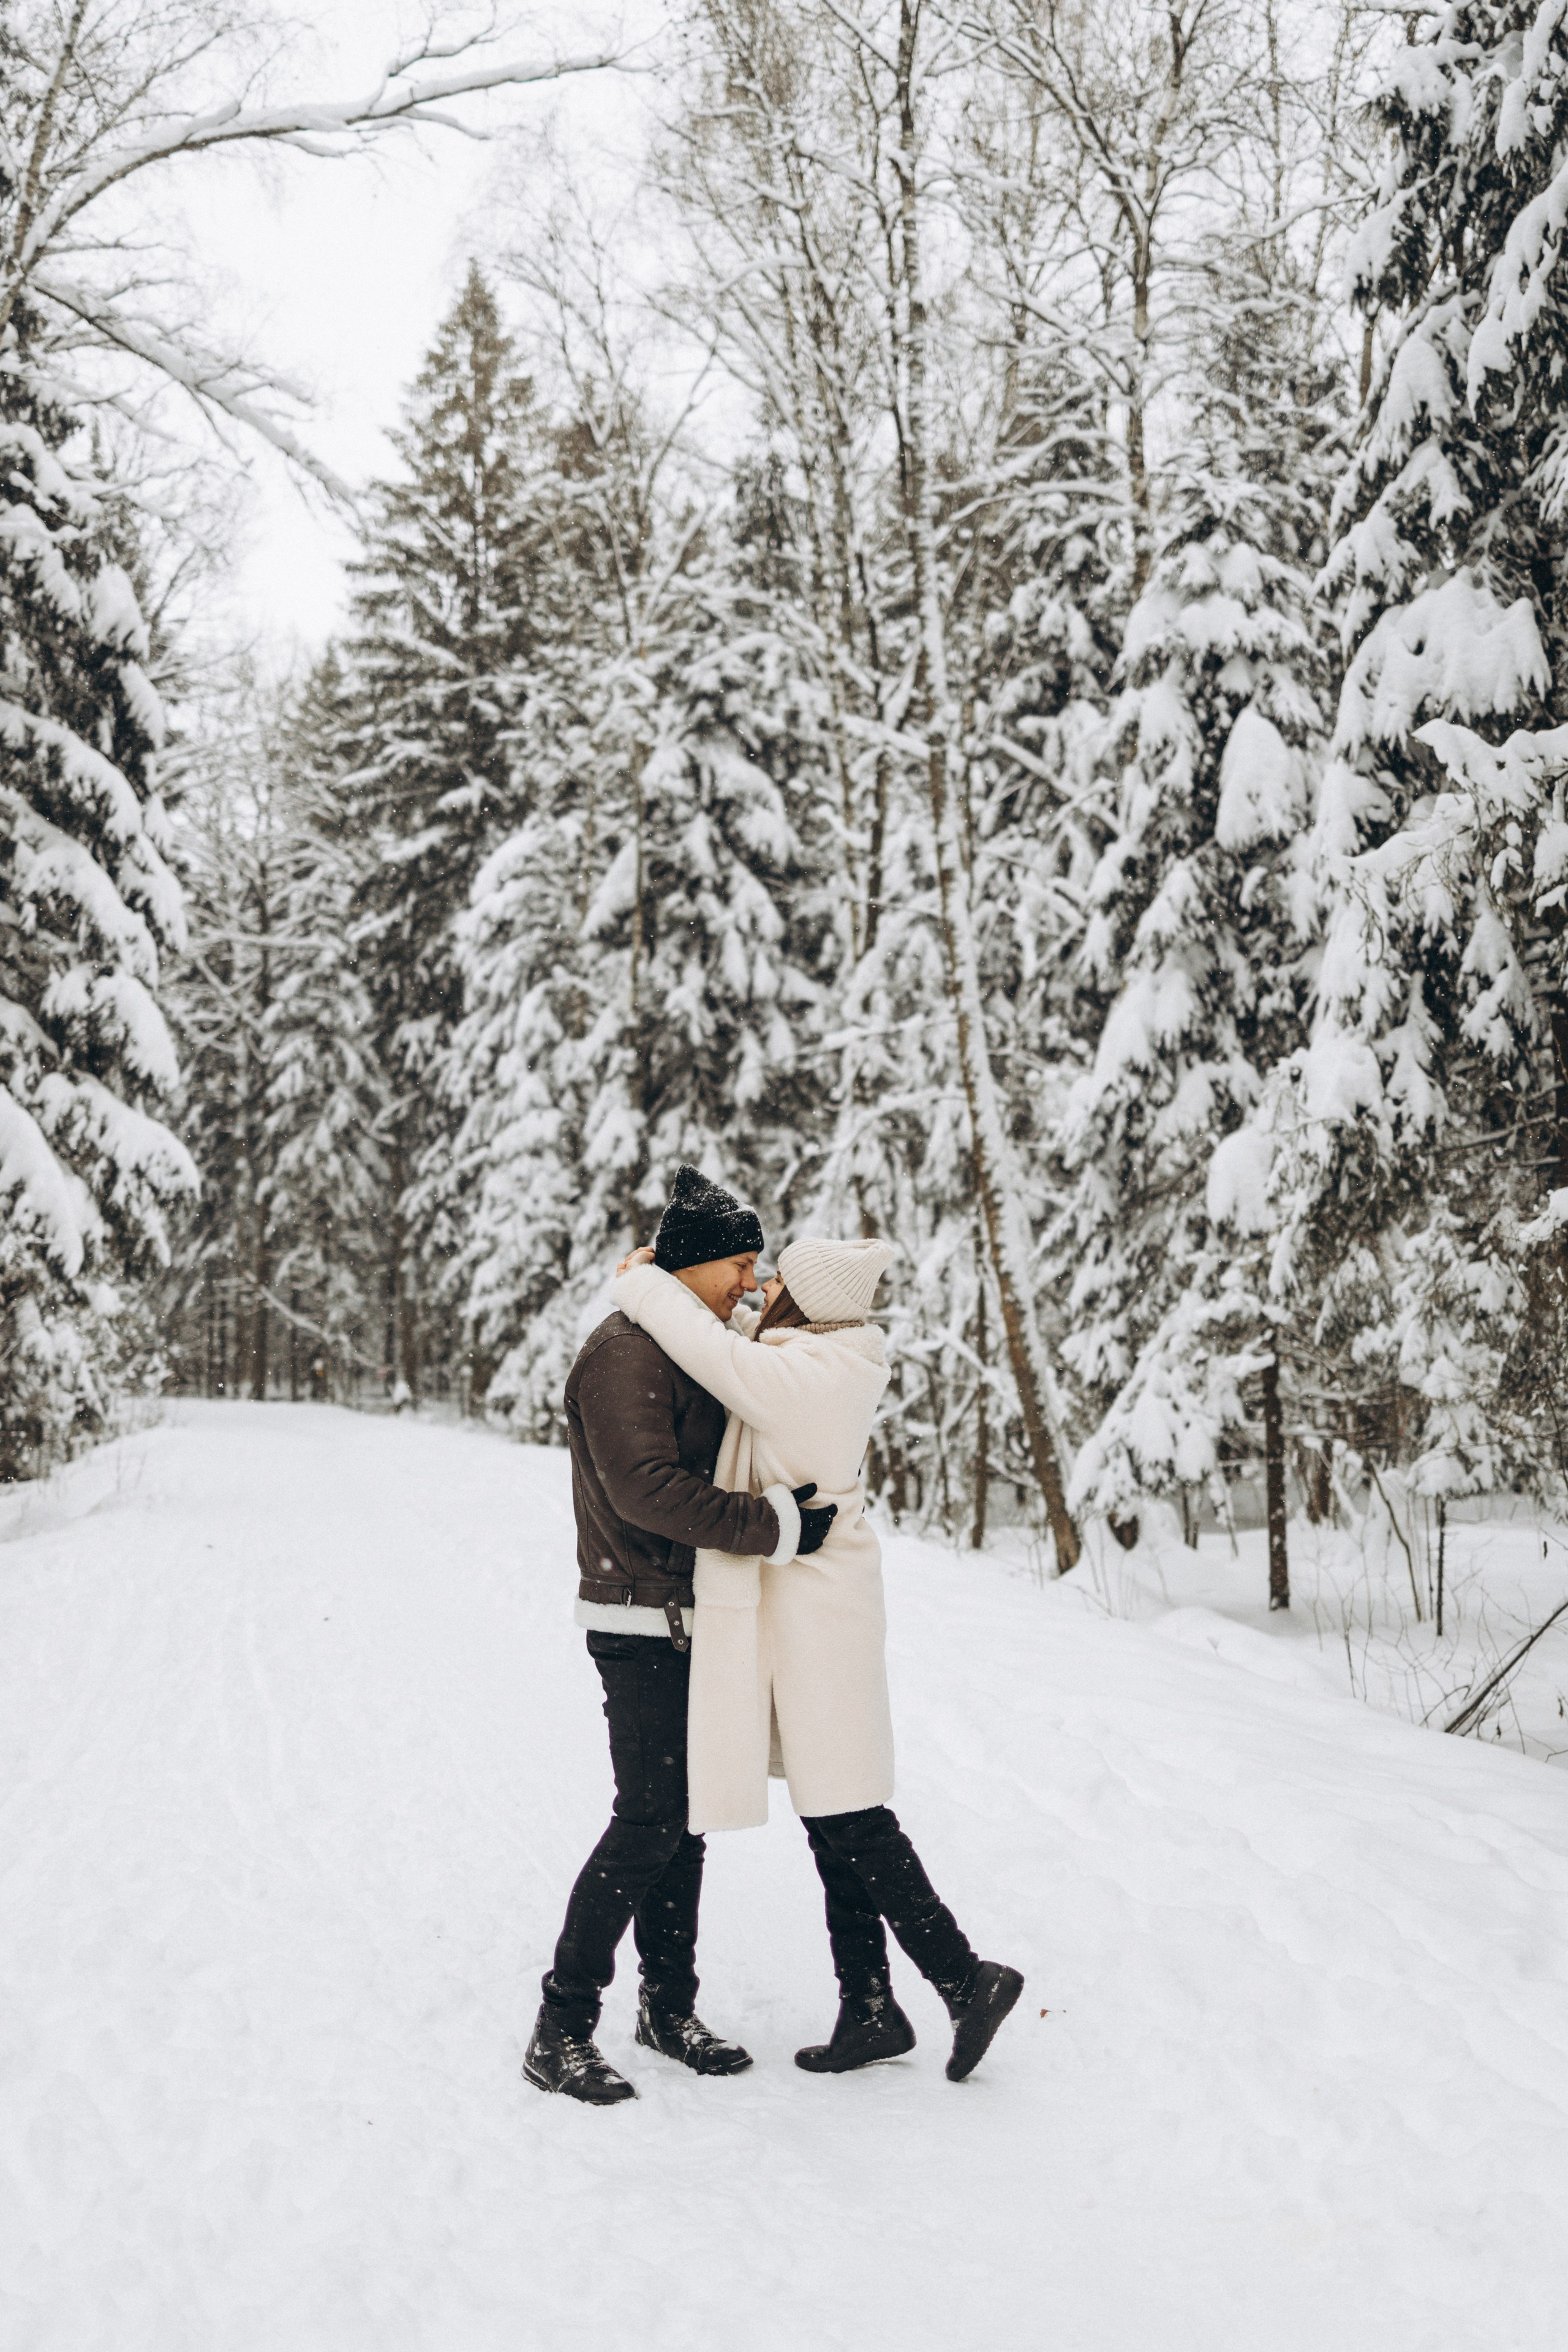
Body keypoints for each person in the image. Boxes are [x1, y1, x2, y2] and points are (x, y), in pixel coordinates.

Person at [611, 1234, 1024, 2083]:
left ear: (808, 1300)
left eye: (777, 1283)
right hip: (805, 1612)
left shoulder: (812, 1377)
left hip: (820, 1618)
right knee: (833, 1811)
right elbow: (738, 1344)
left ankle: (962, 1977)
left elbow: (706, 1347)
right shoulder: (811, 1357)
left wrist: (646, 1282)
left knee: (852, 1816)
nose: (760, 1290)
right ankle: (869, 2008)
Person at [524, 1166, 837, 2108]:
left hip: (682, 1613)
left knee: (683, 1823)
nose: (751, 1281)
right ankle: (560, 2027)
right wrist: (771, 1524)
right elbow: (646, 1489)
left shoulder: (680, 1339)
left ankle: (667, 2008)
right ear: (696, 1266)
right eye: (742, 1263)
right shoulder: (625, 1354)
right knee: (648, 1823)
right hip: (638, 1615)